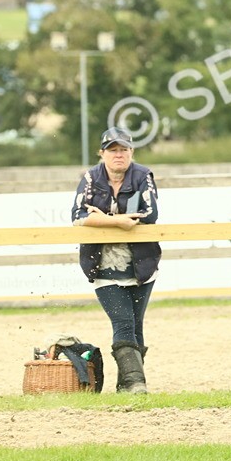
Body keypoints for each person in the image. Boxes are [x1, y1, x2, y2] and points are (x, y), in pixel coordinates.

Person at [71, 127, 160, 393]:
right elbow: (77, 216)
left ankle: (126, 386)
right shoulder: (90, 178)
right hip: (102, 264)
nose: (118, 155)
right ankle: (136, 383)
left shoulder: (143, 175)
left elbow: (149, 214)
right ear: (102, 154)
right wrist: (119, 220)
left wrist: (101, 218)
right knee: (123, 322)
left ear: (131, 152)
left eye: (123, 149)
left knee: (135, 324)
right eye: (113, 150)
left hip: (142, 264)